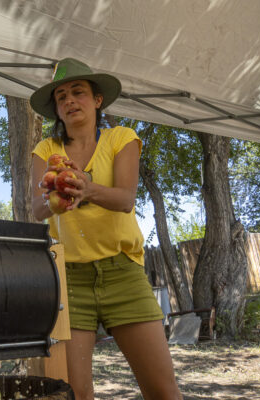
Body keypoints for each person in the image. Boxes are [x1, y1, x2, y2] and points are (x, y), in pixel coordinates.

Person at [30, 58, 182, 400]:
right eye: (61, 96)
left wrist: (86, 189)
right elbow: (36, 208)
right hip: (68, 280)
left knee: (163, 391)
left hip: (123, 274)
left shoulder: (121, 138)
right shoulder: (47, 150)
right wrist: (57, 194)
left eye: (78, 92)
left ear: (98, 100)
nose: (69, 100)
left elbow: (126, 198)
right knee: (74, 393)